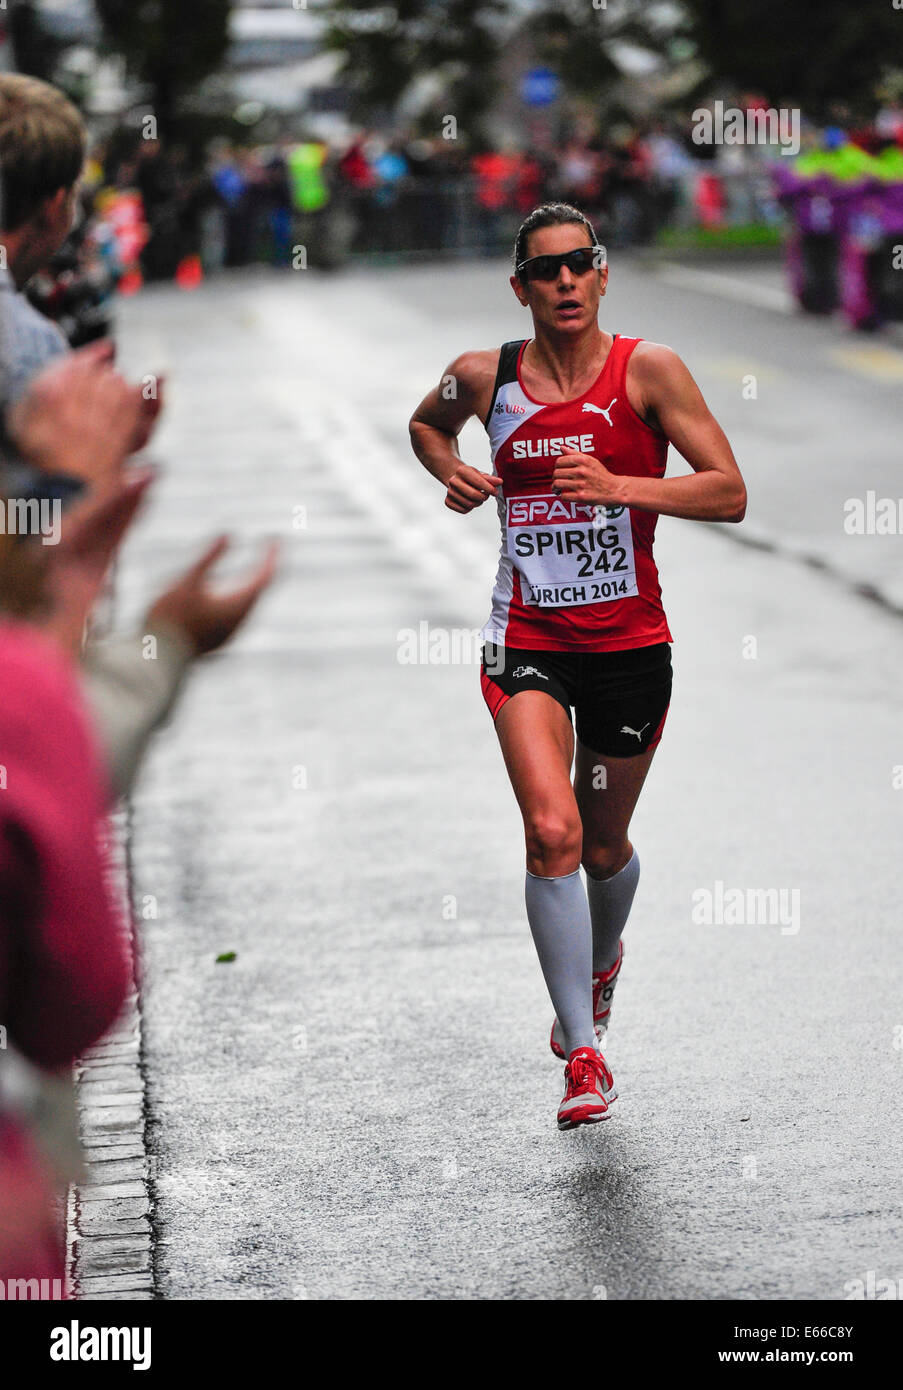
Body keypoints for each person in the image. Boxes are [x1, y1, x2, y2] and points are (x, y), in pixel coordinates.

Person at [409, 202, 746, 1130]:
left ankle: (602, 960)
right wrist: (449, 468)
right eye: (544, 270)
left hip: (631, 651)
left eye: (579, 265)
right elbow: (424, 425)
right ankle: (582, 1051)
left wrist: (619, 486)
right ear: (518, 288)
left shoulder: (649, 371)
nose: (563, 282)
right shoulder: (485, 376)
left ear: (602, 276)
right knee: (550, 833)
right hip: (526, 645)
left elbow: (729, 492)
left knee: (601, 847)